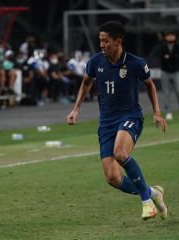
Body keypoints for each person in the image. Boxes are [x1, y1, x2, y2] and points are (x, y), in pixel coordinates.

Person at [66, 21, 168, 220]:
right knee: (113, 178)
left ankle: (147, 203)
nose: (102, 44)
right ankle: (153, 193)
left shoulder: (135, 63)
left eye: (106, 41)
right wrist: (75, 109)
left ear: (118, 41)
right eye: (100, 40)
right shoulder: (96, 62)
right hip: (106, 123)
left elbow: (150, 85)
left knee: (120, 153)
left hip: (130, 116)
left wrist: (156, 112)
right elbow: (86, 82)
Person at [158, 31, 179, 121]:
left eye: (172, 36)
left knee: (178, 91)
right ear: (166, 37)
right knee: (166, 93)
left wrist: (169, 57)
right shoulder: (162, 46)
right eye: (168, 36)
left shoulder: (177, 47)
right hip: (165, 72)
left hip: (176, 72)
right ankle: (168, 112)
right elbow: (161, 57)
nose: (170, 37)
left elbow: (175, 58)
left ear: (175, 37)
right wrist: (172, 57)